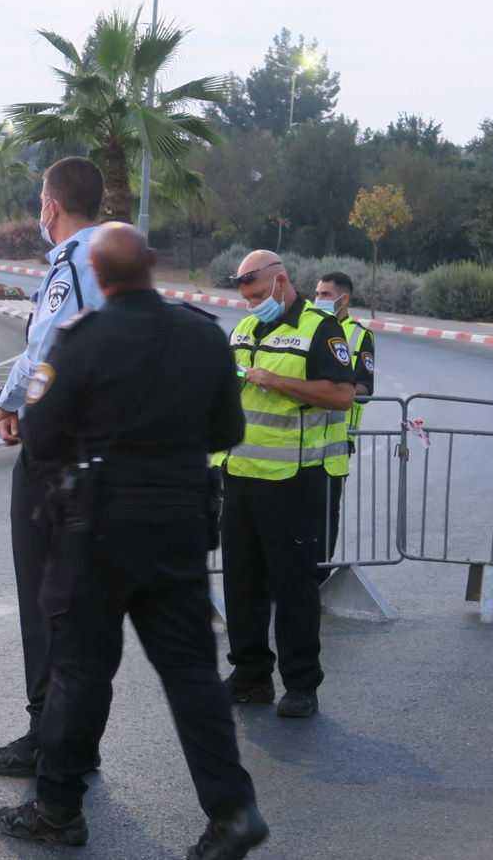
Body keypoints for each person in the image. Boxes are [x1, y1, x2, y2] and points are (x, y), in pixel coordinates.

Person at [0, 223, 268, 858]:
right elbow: (227, 429)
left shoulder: (80, 338)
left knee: (80, 669)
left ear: (99, 272)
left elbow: (41, 438)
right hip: (178, 525)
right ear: (151, 263)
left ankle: (58, 807)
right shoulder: (202, 333)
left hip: (96, 529)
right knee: (193, 672)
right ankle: (232, 811)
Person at [0, 156, 104, 776]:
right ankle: (76, 739)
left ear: (51, 206)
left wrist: (12, 404)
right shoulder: (114, 260)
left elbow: (46, 349)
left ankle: (47, 739)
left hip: (57, 453)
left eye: (39, 202)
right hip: (102, 454)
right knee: (81, 609)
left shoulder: (70, 263)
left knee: (44, 599)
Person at [217, 251, 354, 719]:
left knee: (294, 586)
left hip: (293, 480)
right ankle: (250, 675)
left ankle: (301, 685)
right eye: (246, 297)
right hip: (239, 476)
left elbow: (341, 395)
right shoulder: (244, 329)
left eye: (258, 295)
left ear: (281, 282)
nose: (253, 305)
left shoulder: (320, 328)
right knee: (242, 583)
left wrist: (274, 380)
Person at [313, 271, 376, 574]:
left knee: (324, 516)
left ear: (344, 298)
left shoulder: (358, 335)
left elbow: (365, 388)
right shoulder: (310, 327)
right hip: (299, 439)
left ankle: (318, 578)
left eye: (325, 294)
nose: (318, 299)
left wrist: (335, 389)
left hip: (336, 442)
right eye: (317, 293)